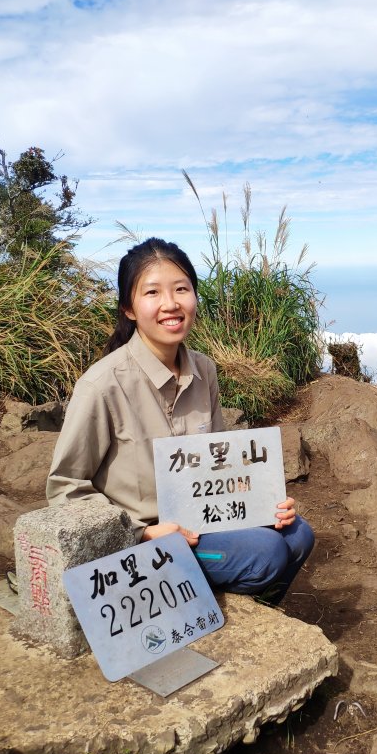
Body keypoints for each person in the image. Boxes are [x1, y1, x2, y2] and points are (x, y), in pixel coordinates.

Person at [46, 237, 314, 604]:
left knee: (298, 534)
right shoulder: (103, 385)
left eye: (181, 289)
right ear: (128, 307)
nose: (170, 304)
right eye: (152, 292)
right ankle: (199, 605)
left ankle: (245, 608)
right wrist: (140, 533)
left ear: (194, 297)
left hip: (203, 520)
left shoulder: (204, 369)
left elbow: (219, 465)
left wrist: (264, 502)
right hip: (144, 539)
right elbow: (64, 486)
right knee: (265, 552)